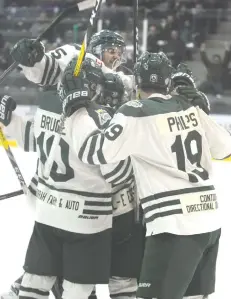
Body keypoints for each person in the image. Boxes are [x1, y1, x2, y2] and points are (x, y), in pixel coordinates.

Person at [59, 51, 231, 299]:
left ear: (137, 84)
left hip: (174, 228)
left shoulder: (135, 112)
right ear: (168, 82)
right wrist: (198, 106)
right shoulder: (189, 107)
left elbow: (92, 150)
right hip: (209, 224)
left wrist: (76, 109)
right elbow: (226, 148)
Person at [0, 59, 140, 299]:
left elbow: (30, 138)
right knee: (78, 288)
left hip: (46, 212)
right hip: (86, 219)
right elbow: (117, 174)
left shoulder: (47, 103)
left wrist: (8, 121)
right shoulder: (98, 118)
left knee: (35, 281)